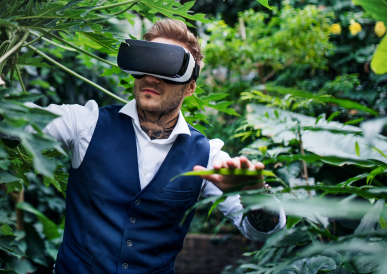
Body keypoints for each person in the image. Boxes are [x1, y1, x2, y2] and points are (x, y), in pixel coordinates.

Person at [25, 19, 286, 274]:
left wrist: (256, 197)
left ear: (190, 87)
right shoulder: (87, 124)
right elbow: (19, 120)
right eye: (147, 62)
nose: (152, 77)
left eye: (168, 67)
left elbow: (261, 231)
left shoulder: (206, 155)